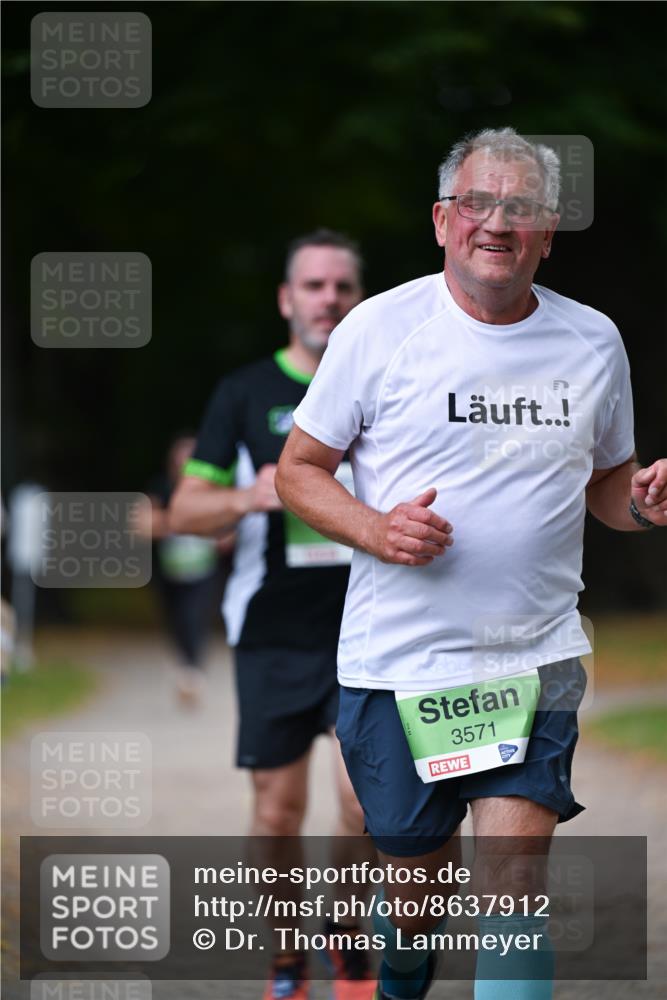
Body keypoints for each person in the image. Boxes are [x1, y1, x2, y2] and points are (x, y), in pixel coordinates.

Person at [276, 128, 667, 1000]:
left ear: (547, 231)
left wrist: (641, 502)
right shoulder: (379, 329)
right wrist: (375, 528)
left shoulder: (591, 340)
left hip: (533, 656)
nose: (497, 222)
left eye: (519, 207)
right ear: (441, 221)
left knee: (512, 884)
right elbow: (297, 471)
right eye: (477, 203)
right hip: (400, 663)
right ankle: (399, 963)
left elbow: (605, 482)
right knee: (417, 900)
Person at [170, 229, 376, 1000]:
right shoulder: (245, 391)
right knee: (277, 810)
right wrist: (247, 496)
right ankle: (286, 959)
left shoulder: (387, 382)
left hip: (370, 627)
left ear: (359, 299)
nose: (329, 299)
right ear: (287, 300)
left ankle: (344, 936)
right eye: (314, 286)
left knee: (364, 803)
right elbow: (186, 510)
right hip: (273, 633)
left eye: (342, 286)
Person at [139, 434, 229, 705]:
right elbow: (142, 523)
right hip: (169, 572)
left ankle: (192, 670)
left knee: (195, 617)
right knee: (175, 620)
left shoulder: (211, 489)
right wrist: (180, 522)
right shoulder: (161, 487)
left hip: (203, 571)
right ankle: (185, 666)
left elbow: (227, 531)